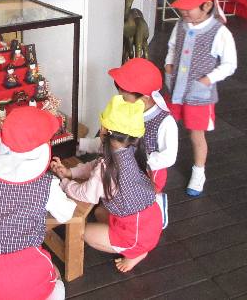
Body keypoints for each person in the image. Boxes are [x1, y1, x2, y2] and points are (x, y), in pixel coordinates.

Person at [0, 107, 76, 300]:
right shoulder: (46, 185)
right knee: (57, 282)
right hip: (24, 274)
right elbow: (66, 213)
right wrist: (65, 184)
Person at [51, 95, 164, 273]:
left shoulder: (108, 166)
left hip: (136, 235)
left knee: (85, 233)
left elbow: (86, 194)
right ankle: (132, 243)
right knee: (98, 212)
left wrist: (65, 183)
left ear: (103, 130)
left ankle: (136, 253)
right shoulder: (131, 149)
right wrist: (71, 172)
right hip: (150, 219)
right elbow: (96, 166)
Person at [164, 0, 237, 197]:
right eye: (181, 7)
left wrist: (207, 80)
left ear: (206, 6)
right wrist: (168, 65)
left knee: (196, 135)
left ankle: (199, 172)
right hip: (175, 90)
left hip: (199, 96)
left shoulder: (219, 32)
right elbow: (172, 47)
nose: (183, 12)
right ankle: (160, 159)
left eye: (188, 8)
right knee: (165, 125)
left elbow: (229, 64)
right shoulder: (180, 25)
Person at [78, 58, 178, 194]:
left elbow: (168, 157)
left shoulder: (165, 122)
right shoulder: (125, 111)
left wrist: (134, 160)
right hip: (120, 170)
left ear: (144, 99)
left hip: (147, 179)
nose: (120, 99)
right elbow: (111, 141)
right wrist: (82, 144)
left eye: (124, 98)